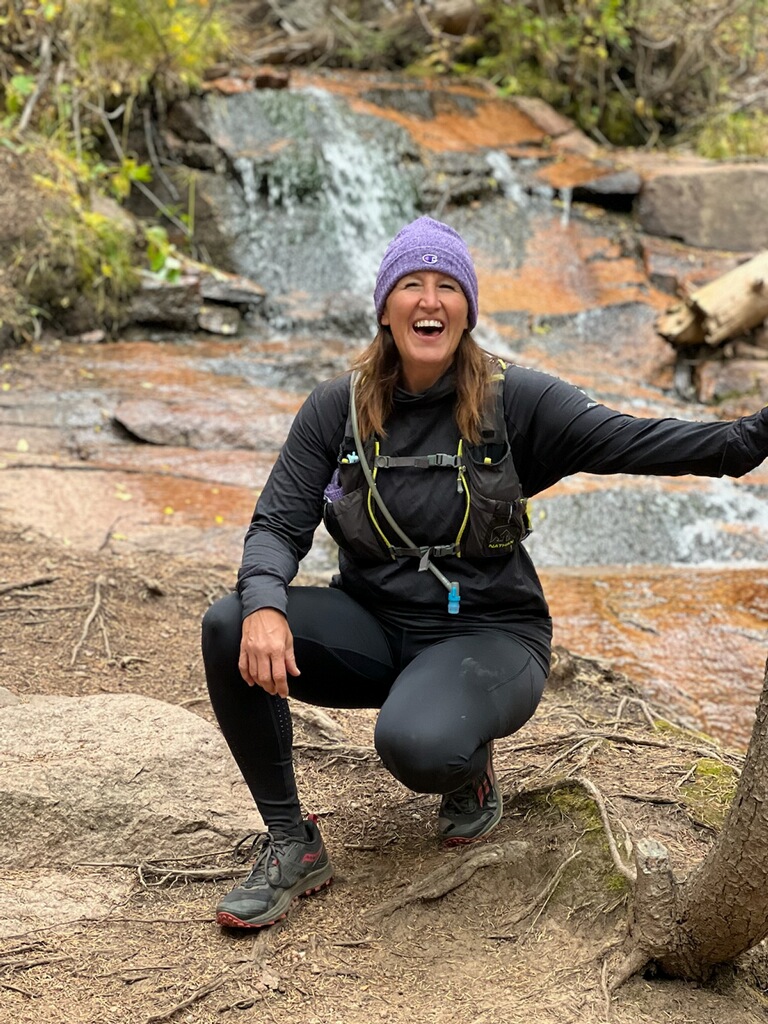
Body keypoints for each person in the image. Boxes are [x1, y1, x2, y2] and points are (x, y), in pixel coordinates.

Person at [202, 216, 768, 930]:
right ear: (385, 306)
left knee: (419, 746)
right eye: (412, 284)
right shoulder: (335, 409)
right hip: (373, 626)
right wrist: (263, 602)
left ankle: (468, 774)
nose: (428, 301)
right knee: (228, 624)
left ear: (468, 309)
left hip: (492, 634)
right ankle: (292, 843)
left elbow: (635, 440)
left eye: (447, 287)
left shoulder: (515, 399)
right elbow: (278, 525)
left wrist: (750, 438)